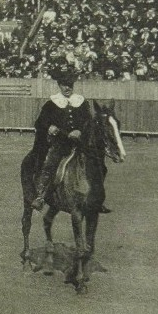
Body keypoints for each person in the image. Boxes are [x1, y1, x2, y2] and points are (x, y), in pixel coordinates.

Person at [29, 67, 110, 212]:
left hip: (81, 143)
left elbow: (89, 122)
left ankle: (96, 198)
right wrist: (50, 127)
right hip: (61, 143)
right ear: (59, 85)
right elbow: (39, 123)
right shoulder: (51, 104)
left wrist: (80, 130)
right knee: (50, 164)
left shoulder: (81, 102)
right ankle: (41, 196)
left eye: (70, 85)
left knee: (100, 166)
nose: (68, 88)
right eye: (65, 85)